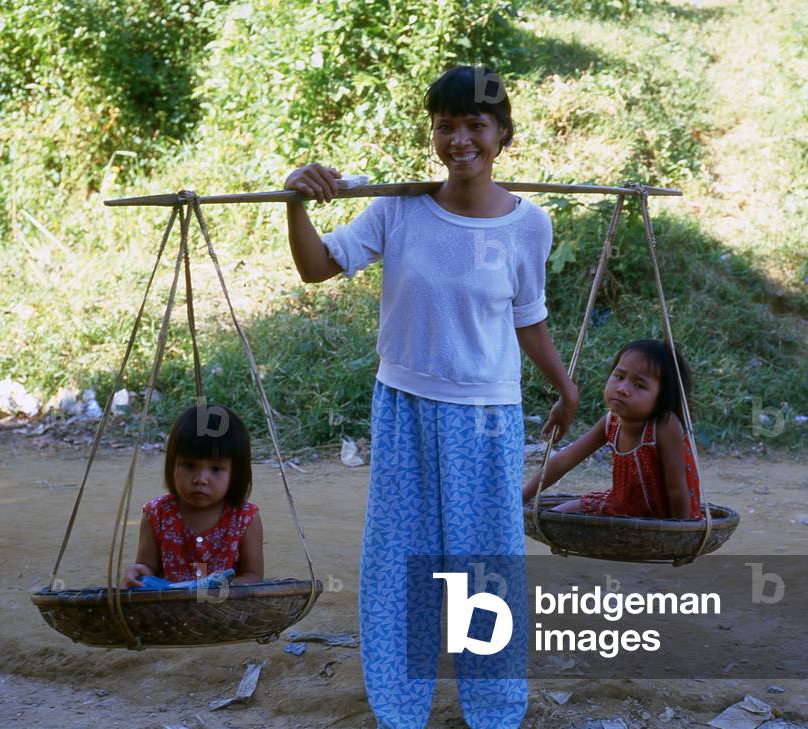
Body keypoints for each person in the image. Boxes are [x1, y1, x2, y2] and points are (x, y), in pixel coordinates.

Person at [283, 65, 577, 728]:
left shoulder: (529, 225)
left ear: (502, 133)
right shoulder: (398, 208)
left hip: (488, 419)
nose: (460, 139)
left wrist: (564, 385)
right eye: (447, 125)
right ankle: (399, 708)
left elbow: (528, 316)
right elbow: (315, 266)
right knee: (400, 562)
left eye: (476, 124)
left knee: (485, 568)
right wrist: (297, 201)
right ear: (434, 133)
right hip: (406, 407)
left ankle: (496, 711)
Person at [522, 339, 702, 520]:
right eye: (619, 377)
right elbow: (564, 460)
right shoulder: (611, 422)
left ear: (662, 397)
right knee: (554, 517)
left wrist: (678, 531)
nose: (622, 389)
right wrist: (522, 497)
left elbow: (677, 489)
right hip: (621, 506)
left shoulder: (664, 425)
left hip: (663, 515)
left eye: (639, 385)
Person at [120, 403, 264, 588]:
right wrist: (138, 572)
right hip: (171, 610)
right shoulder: (157, 514)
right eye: (188, 465)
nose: (200, 479)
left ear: (236, 473)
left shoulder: (245, 518)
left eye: (216, 468)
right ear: (172, 466)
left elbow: (253, 576)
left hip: (226, 611)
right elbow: (148, 567)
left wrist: (218, 588)